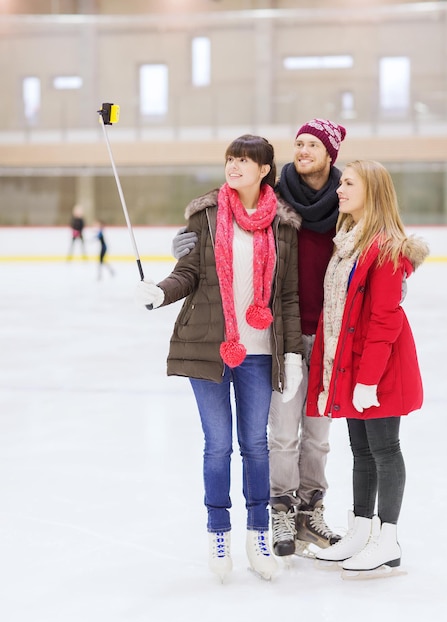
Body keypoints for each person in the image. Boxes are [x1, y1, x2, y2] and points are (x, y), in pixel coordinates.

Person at [172, 119, 347, 559]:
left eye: (314, 144)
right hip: (279, 331)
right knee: (281, 435)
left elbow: (372, 240)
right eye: (299, 143)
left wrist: (395, 268)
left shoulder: (346, 200)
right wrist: (186, 246)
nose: (304, 150)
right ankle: (281, 511)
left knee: (319, 436)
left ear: (331, 153)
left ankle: (312, 511)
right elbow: (222, 224)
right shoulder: (279, 197)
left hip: (328, 331)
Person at [135, 135, 304, 582]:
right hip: (208, 347)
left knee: (255, 446)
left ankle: (258, 534)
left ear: (265, 169)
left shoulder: (284, 226)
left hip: (259, 352)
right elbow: (187, 273)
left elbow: (287, 296)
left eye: (245, 160)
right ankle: (218, 530)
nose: (235, 166)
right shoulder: (205, 217)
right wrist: (160, 292)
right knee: (217, 446)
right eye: (231, 159)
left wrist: (291, 352)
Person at [306, 159, 429, 578]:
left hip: (378, 370)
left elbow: (385, 319)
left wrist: (368, 379)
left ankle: (388, 539)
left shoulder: (386, 247)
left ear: (371, 191)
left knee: (384, 449)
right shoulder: (348, 242)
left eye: (349, 183)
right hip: (352, 366)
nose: (340, 189)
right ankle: (360, 530)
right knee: (361, 451)